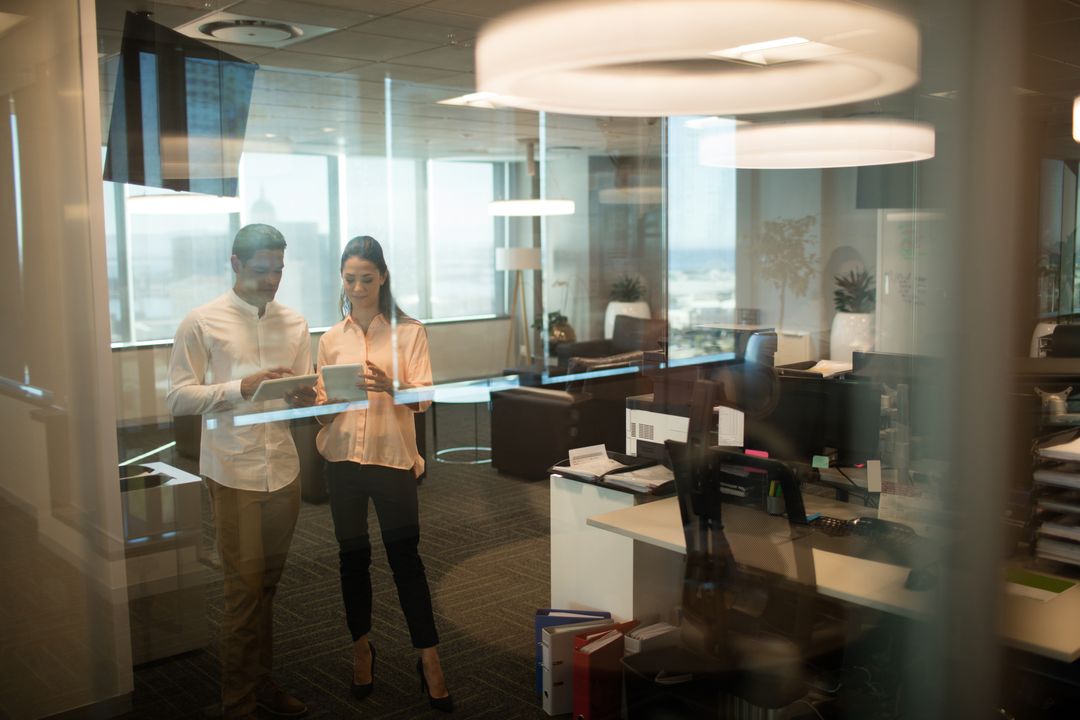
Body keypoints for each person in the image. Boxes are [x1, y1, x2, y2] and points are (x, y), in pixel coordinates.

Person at [168, 224, 314, 720]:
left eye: (278, 270)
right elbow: (179, 396)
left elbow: (302, 396)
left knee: (266, 590)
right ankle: (237, 703)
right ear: (234, 264)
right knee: (242, 593)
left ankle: (261, 682)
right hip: (233, 472)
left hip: (284, 470)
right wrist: (239, 387)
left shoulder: (294, 323)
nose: (272, 280)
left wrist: (304, 396)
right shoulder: (202, 321)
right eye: (261, 270)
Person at [313, 235, 452, 712]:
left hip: (392, 462)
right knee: (352, 561)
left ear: (383, 278)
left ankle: (429, 659)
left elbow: (425, 399)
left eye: (366, 279)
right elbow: (321, 411)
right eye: (349, 279)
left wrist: (394, 387)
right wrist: (323, 404)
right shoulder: (331, 339)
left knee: (405, 562)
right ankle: (361, 650)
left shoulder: (409, 332)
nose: (357, 288)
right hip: (343, 463)